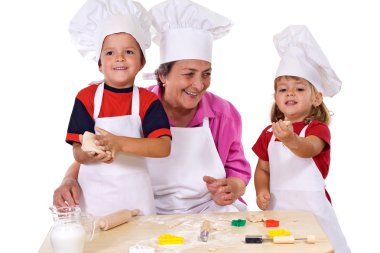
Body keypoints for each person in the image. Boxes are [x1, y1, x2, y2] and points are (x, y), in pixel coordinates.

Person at [54, 0, 251, 214]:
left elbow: (238, 173)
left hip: (207, 208)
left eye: (206, 74)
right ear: (162, 76)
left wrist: (231, 188)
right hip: (145, 209)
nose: (199, 84)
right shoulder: (137, 104)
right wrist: (68, 179)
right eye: (189, 74)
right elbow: (92, 151)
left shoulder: (223, 113)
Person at [65, 0, 171, 217]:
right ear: (100, 63)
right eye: (110, 53)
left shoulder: (148, 100)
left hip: (136, 200)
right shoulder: (86, 98)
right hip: (95, 201)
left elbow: (163, 147)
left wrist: (119, 143)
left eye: (129, 52)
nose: (120, 58)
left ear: (142, 61)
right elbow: (77, 151)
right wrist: (91, 153)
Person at [252, 25, 350, 252]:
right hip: (280, 211)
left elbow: (309, 149)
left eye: (299, 88)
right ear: (275, 97)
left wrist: (291, 140)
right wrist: (260, 190)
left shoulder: (317, 129)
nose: (290, 93)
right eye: (283, 89)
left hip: (314, 213)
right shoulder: (269, 133)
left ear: (316, 98)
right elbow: (263, 169)